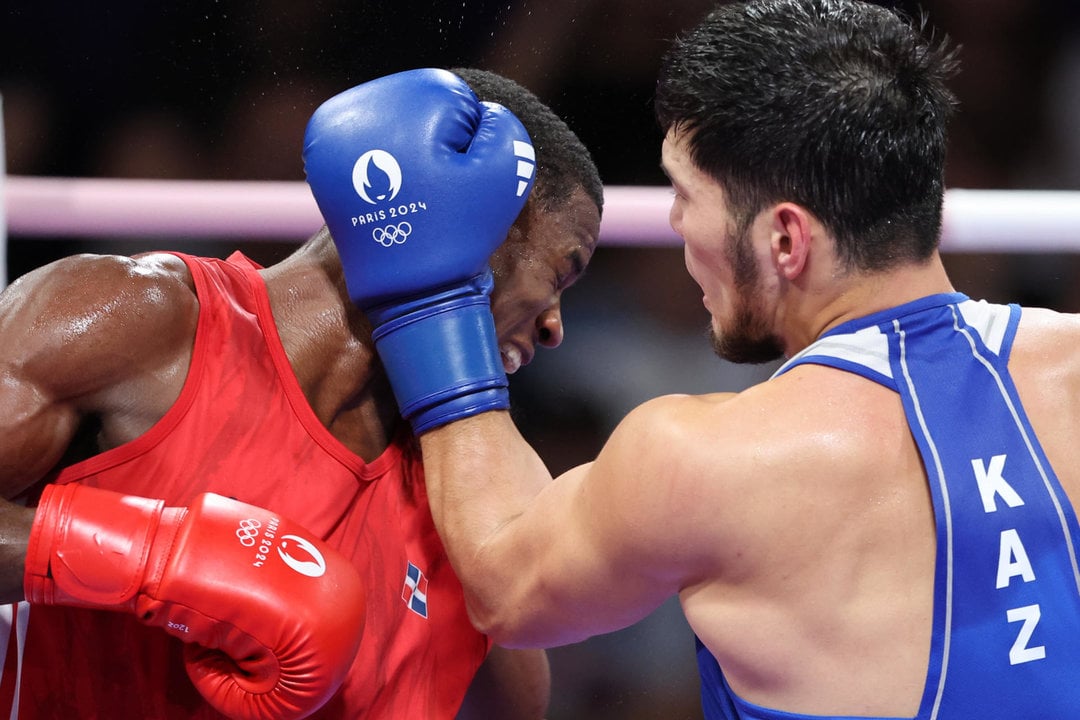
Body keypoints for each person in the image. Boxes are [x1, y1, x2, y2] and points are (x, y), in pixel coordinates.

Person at [310, 2, 1080, 719]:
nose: (674, 226)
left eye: (685, 194)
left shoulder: (704, 457)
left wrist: (433, 301)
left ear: (785, 239)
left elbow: (507, 586)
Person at [0, 67, 603, 719]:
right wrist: (150, 559)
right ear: (473, 222)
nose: (553, 329)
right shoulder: (139, 320)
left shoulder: (472, 510)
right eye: (559, 275)